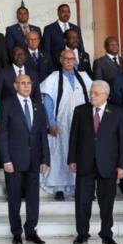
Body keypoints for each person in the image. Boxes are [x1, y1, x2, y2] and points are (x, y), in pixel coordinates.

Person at [68, 80, 123, 244]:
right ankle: (82, 233)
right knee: (82, 201)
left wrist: (122, 165)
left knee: (107, 202)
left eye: (96, 93)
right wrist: (71, 159)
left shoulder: (117, 113)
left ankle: (106, 233)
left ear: (106, 95)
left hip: (108, 164)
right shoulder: (80, 111)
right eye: (91, 93)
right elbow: (74, 137)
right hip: (84, 162)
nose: (92, 96)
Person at [0, 74, 49, 244]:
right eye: (23, 83)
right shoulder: (7, 105)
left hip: (34, 160)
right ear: (15, 85)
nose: (26, 86)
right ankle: (16, 232)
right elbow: (3, 134)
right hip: (14, 160)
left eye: (29, 83)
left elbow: (42, 135)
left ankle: (31, 230)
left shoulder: (39, 106)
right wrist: (6, 160)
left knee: (33, 198)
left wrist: (45, 159)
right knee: (14, 198)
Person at [41, 49, 92, 200]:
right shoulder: (54, 77)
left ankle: (79, 187)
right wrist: (51, 122)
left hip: (81, 123)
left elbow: (92, 97)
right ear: (61, 60)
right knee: (60, 153)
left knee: (80, 153)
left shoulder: (83, 77)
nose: (69, 61)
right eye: (66, 59)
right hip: (61, 123)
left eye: (72, 59)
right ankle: (59, 188)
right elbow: (48, 100)